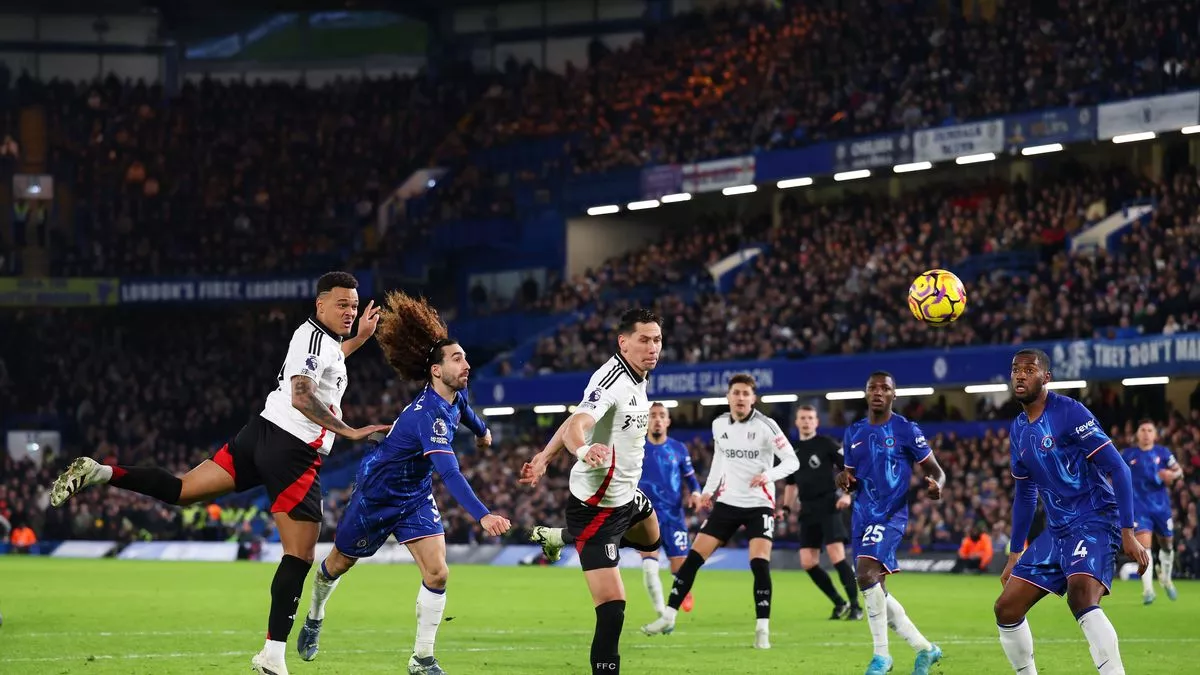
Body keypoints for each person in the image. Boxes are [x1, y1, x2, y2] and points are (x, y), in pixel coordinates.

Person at [48, 271, 391, 674]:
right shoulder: (312, 338)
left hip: (260, 433)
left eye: (353, 305)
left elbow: (325, 366)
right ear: (320, 305)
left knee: (183, 489)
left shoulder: (323, 343)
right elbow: (301, 395)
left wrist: (360, 339)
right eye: (342, 304)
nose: (350, 311)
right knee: (299, 555)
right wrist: (349, 431)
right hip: (291, 449)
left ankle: (102, 472)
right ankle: (273, 657)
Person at [295, 291, 510, 674]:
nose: (467, 365)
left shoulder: (452, 398)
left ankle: (422, 658)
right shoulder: (428, 416)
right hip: (376, 495)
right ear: (436, 371)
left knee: (438, 572)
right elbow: (449, 473)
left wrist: (482, 431)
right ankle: (314, 615)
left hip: (413, 497)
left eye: (465, 358)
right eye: (457, 359)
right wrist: (482, 514)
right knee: (337, 565)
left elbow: (467, 411)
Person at [517, 308, 664, 675]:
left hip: (627, 498)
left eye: (657, 339)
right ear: (623, 342)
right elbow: (577, 425)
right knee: (613, 607)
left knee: (651, 543)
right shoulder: (612, 379)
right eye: (644, 340)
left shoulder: (637, 379)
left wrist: (544, 457)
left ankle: (561, 537)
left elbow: (574, 414)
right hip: (596, 509)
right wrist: (582, 450)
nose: (653, 347)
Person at [993, 349, 1150, 675]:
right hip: (1058, 530)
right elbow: (1025, 493)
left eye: (1029, 370)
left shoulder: (1069, 412)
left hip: (1095, 520)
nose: (1020, 375)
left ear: (1046, 378)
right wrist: (1014, 552)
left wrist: (1128, 532)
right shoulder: (1019, 428)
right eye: (1015, 370)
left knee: (1080, 596)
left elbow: (1119, 469)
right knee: (1006, 608)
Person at [641, 373, 800, 649]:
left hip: (759, 504)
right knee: (692, 560)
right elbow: (720, 460)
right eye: (736, 393)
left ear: (753, 398)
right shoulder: (719, 424)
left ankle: (762, 628)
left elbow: (792, 461)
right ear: (728, 396)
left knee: (759, 563)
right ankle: (668, 615)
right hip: (727, 503)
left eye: (745, 394)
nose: (740, 398)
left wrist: (769, 475)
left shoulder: (767, 426)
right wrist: (707, 492)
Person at [835, 371, 945, 675]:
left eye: (885, 388)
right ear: (866, 393)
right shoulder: (853, 432)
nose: (879, 392)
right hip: (861, 516)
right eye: (873, 388)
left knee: (865, 573)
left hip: (891, 514)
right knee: (876, 589)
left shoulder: (907, 430)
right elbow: (851, 478)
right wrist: (843, 480)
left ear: (894, 395)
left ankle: (881, 657)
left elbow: (936, 470)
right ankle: (926, 649)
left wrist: (937, 485)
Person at [781, 405, 860, 620]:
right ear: (796, 422)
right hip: (807, 509)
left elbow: (849, 468)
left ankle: (856, 606)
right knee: (807, 561)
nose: (806, 421)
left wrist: (846, 495)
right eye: (802, 418)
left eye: (810, 418)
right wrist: (787, 508)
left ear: (816, 422)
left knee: (837, 556)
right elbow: (790, 484)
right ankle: (839, 602)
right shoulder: (791, 450)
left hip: (828, 505)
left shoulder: (826, 444)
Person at [636, 402, 702, 617]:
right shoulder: (636, 447)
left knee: (679, 569)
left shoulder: (678, 449)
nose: (656, 419)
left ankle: (684, 589)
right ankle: (661, 613)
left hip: (673, 516)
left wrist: (696, 494)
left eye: (661, 415)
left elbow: (691, 480)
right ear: (646, 420)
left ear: (668, 421)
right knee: (648, 565)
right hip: (644, 515)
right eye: (652, 415)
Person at [1121, 418, 1182, 604]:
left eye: (1150, 430)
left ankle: (1167, 579)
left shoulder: (1163, 453)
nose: (1146, 433)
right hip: (1139, 508)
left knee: (1167, 545)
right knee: (1144, 546)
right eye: (1143, 430)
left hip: (1161, 508)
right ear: (1137, 434)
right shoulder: (1128, 454)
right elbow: (1114, 473)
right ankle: (1148, 590)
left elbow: (1179, 471)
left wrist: (1172, 474)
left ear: (1155, 435)